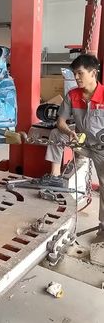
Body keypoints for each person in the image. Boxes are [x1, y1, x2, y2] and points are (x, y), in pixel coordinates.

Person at [44, 54, 104, 240]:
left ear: (93, 73)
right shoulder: (73, 95)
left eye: (80, 73)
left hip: (102, 148)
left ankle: (103, 228)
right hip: (81, 143)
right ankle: (54, 179)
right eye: (74, 73)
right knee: (55, 135)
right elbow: (60, 122)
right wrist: (70, 133)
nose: (76, 77)